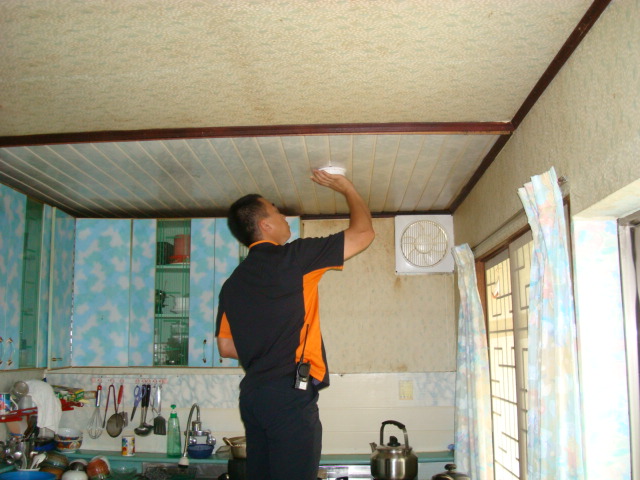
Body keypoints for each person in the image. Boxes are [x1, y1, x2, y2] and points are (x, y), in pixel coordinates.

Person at [215, 169, 375, 480]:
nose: (284, 216)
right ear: (265, 225)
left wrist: (265, 347)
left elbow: (226, 346)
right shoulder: (295, 258)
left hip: (253, 397)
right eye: (277, 212)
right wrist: (347, 188)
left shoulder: (232, 284)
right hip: (288, 396)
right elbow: (363, 233)